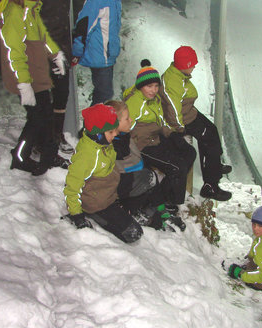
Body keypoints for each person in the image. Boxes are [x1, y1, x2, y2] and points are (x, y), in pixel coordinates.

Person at [64, 104, 178, 242]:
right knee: (133, 233)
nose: (116, 134)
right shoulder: (86, 156)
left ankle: (131, 210)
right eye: (111, 132)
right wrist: (77, 215)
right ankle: (96, 215)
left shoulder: (103, 143)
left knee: (149, 177)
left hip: (110, 187)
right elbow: (72, 188)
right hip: (98, 203)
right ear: (98, 134)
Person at [0, 0, 67, 175]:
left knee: (46, 114)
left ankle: (48, 154)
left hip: (37, 72)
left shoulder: (31, 8)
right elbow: (14, 52)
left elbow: (42, 37)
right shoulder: (14, 12)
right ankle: (20, 156)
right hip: (23, 75)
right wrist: (23, 84)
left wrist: (56, 55)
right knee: (37, 117)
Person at [160, 46, 232, 201]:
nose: (194, 66)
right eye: (192, 64)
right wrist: (180, 130)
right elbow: (172, 109)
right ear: (185, 65)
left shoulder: (178, 75)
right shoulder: (173, 81)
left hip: (189, 113)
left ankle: (215, 166)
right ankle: (211, 186)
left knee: (211, 131)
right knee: (209, 141)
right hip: (184, 120)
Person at [123, 60, 196, 206]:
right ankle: (172, 202)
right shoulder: (135, 103)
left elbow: (161, 122)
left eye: (156, 86)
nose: (153, 90)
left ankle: (168, 190)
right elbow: (125, 129)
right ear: (141, 86)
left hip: (156, 137)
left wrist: (171, 134)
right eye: (149, 86)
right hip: (143, 145)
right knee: (177, 166)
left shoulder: (155, 100)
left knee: (189, 152)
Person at [106, 99, 185, 231]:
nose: (131, 120)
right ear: (114, 123)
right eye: (126, 119)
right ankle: (143, 216)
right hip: (117, 190)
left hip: (128, 182)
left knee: (150, 177)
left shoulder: (124, 136)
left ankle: (160, 211)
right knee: (148, 178)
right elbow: (118, 171)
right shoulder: (112, 144)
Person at [38, 0, 77, 160]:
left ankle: (56, 134)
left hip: (60, 52)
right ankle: (42, 142)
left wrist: (68, 52)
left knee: (62, 95)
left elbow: (63, 24)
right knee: (43, 101)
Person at [72, 0, 125, 105]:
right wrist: (77, 50)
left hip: (107, 54)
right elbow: (84, 24)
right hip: (99, 54)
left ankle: (97, 125)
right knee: (105, 94)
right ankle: (94, 126)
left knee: (104, 93)